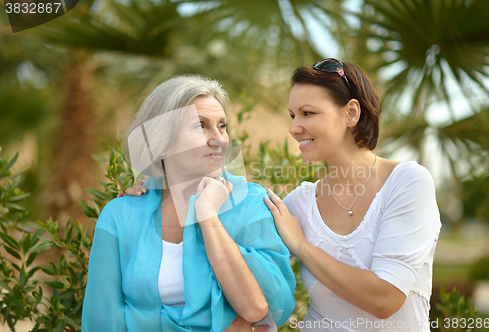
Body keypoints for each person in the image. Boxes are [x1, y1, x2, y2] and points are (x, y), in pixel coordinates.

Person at [127, 59, 441, 332]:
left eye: (307, 113)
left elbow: (385, 299)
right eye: (292, 115)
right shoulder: (296, 205)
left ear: (351, 113)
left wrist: (301, 246)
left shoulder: (407, 183)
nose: (294, 128)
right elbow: (244, 269)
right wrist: (156, 189)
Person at [81, 75, 296, 332]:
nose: (218, 139)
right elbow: (101, 321)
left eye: (222, 126)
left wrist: (207, 215)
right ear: (161, 143)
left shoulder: (252, 203)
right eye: (201, 126)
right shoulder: (120, 214)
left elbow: (258, 308)